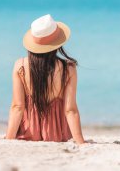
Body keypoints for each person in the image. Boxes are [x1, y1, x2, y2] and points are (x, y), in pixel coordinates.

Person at [6, 14, 85, 143]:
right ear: (57, 43)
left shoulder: (20, 65)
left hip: (29, 131)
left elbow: (17, 107)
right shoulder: (68, 68)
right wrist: (80, 141)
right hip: (58, 133)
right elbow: (70, 110)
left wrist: (8, 139)